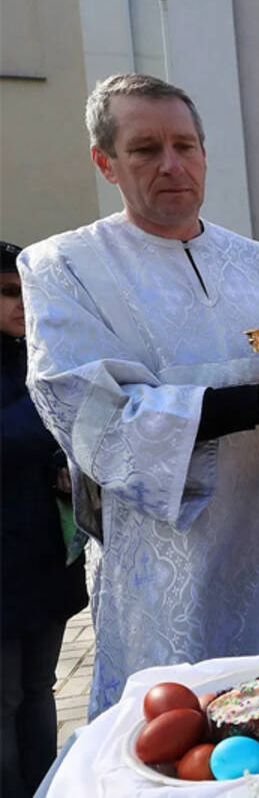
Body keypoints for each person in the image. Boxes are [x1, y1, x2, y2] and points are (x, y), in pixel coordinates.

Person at [19, 74, 259, 716]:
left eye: (186, 145)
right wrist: (257, 404)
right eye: (146, 149)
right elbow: (92, 417)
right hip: (166, 569)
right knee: (177, 740)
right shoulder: (62, 268)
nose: (172, 165)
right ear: (106, 162)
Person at [1, 242, 89, 795]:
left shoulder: (30, 356)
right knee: (5, 697)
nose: (22, 306)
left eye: (25, 292)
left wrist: (60, 460)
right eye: (9, 294)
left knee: (39, 688)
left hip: (39, 557)